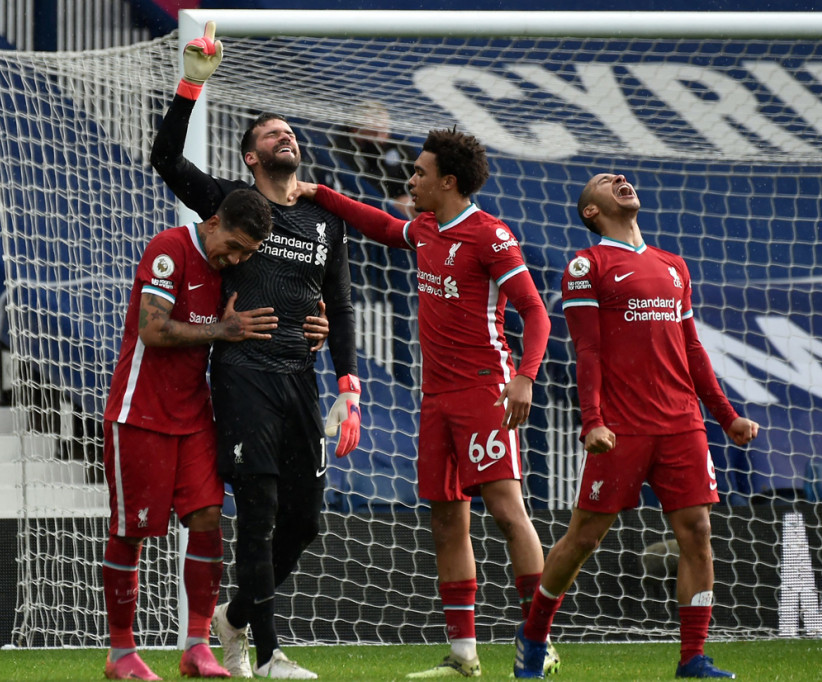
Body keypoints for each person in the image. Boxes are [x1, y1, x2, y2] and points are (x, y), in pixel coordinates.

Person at [295, 128, 559, 679]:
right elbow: (382, 225)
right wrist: (319, 193)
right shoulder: (425, 230)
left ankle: (539, 641)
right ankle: (464, 657)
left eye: (418, 172)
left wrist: (526, 378)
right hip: (435, 398)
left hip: (486, 388)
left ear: (448, 181)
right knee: (446, 519)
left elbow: (536, 313)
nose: (410, 179)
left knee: (508, 511)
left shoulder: (491, 236)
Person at [150, 23, 361, 680]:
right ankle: (268, 655)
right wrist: (190, 86)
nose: (284, 136)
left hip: (302, 379)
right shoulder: (229, 203)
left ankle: (235, 617)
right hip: (244, 375)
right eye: (269, 134)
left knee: (304, 523)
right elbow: (165, 159)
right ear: (249, 157)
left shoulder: (324, 220)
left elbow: (341, 304)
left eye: (288, 132)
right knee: (262, 511)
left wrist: (349, 383)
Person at [512, 173, 760, 679]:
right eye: (606, 182)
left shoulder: (674, 266)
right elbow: (588, 351)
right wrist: (593, 422)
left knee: (697, 531)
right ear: (591, 211)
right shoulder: (587, 265)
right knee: (584, 538)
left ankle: (693, 657)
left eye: (620, 177)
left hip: (682, 423)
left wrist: (726, 416)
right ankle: (534, 636)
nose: (621, 180)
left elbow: (691, 349)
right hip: (621, 428)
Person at [101, 189, 277, 681]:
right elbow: (153, 331)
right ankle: (121, 655)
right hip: (140, 414)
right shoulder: (169, 248)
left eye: (247, 253)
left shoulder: (230, 267)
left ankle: (196, 647)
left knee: (206, 521)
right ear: (214, 222)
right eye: (235, 246)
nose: (237, 259)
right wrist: (222, 330)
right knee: (131, 531)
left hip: (195, 416)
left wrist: (316, 323)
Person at [329, 100, 416, 219]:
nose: (381, 139)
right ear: (355, 130)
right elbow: (360, 189)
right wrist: (393, 204)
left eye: (385, 131)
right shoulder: (340, 151)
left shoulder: (397, 145)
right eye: (374, 133)